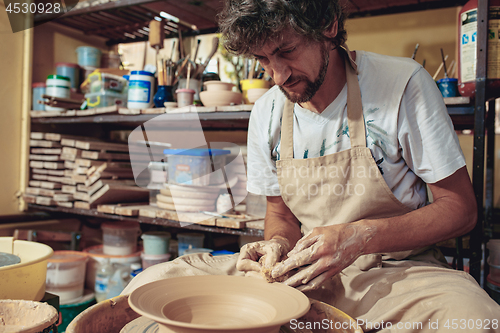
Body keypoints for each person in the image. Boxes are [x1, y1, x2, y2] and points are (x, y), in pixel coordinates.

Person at [122, 1, 500, 331]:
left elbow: (461, 211)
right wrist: (276, 244)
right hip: (305, 273)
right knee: (151, 284)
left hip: (396, 274)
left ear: (328, 27)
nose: (278, 75)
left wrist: (360, 237)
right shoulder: (267, 112)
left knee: (478, 318)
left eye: (286, 50)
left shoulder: (402, 85)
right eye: (262, 60)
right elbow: (279, 214)